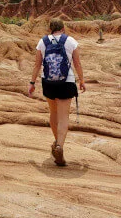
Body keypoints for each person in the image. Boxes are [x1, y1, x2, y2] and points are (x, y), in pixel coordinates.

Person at [29, 18, 86, 166]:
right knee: (63, 116)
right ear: (63, 28)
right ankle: (60, 145)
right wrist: (82, 81)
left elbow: (37, 65)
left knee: (53, 113)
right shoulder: (70, 41)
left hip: (48, 82)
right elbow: (77, 63)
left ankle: (56, 144)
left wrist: (32, 83)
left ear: (50, 29)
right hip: (66, 82)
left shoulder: (42, 42)